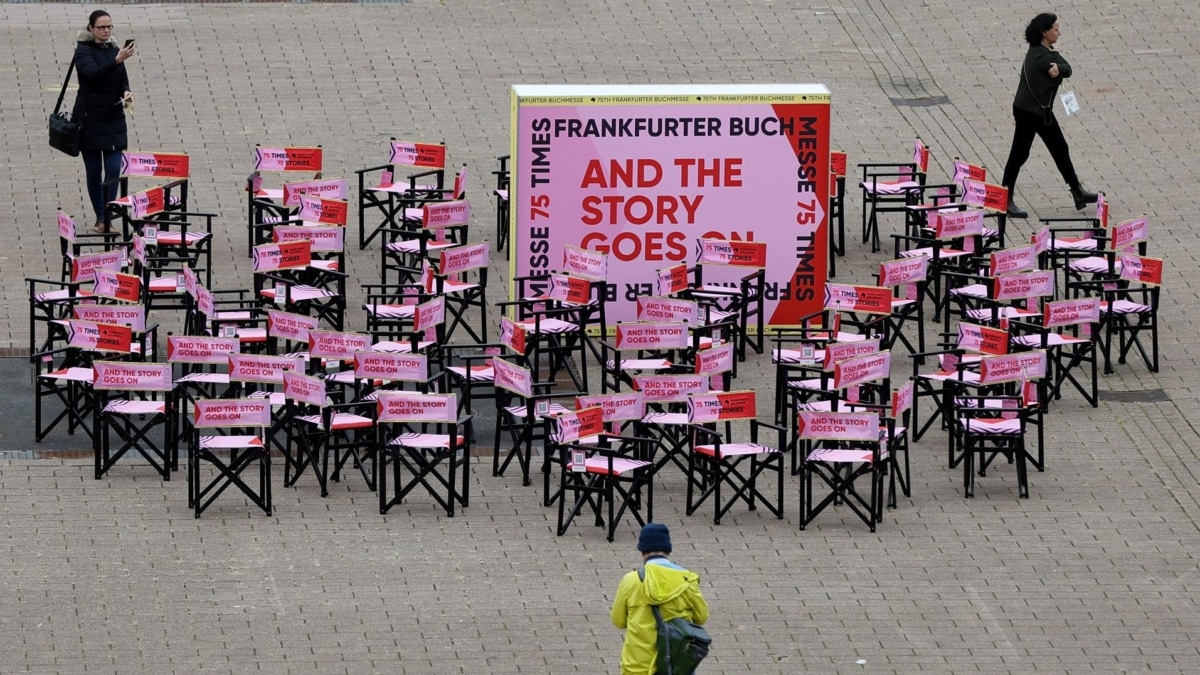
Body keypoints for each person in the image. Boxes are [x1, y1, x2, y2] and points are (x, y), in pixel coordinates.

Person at [1000, 13, 1097, 219]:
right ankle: (1005, 198)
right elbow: (1067, 68)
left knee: (1060, 147)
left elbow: (1064, 67)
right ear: (1044, 32)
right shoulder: (1043, 58)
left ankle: (1077, 191)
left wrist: (1058, 67)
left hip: (1040, 111)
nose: (1058, 33)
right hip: (1029, 113)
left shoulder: (1040, 51)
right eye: (1055, 29)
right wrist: (1059, 67)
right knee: (1019, 153)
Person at [611, 523, 709, 675]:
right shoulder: (687, 581)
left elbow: (618, 621)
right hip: (676, 664)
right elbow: (701, 617)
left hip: (637, 665)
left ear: (642, 551)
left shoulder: (630, 581)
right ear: (668, 550)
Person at [72, 10, 135, 232]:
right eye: (101, 27)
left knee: (113, 168)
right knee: (93, 171)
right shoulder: (83, 51)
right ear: (91, 29)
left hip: (113, 117)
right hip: (89, 118)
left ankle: (108, 216)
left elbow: (122, 79)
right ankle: (100, 217)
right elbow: (92, 74)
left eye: (109, 27)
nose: (106, 31)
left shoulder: (115, 50)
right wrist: (116, 61)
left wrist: (126, 92)